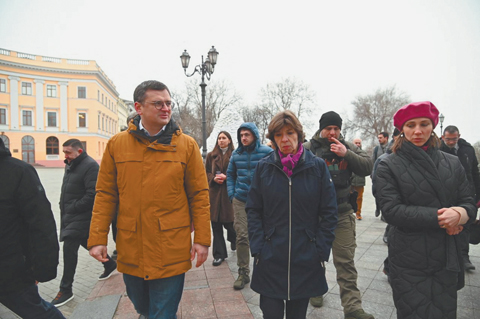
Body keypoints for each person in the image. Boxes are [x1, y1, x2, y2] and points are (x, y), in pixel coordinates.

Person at [88, 80, 211, 319]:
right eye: (158, 103)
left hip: (171, 245)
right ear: (138, 107)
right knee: (142, 307)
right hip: (131, 245)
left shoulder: (186, 145)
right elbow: (105, 195)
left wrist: (203, 239)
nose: (166, 108)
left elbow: (199, 195)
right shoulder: (117, 144)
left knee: (162, 314)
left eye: (168, 103)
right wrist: (97, 238)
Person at [374, 101, 477, 318]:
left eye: (424, 124)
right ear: (402, 129)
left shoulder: (453, 163)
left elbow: (469, 201)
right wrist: (443, 218)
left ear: (432, 127)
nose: (418, 131)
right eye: (411, 125)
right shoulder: (388, 164)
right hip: (409, 258)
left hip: (445, 256)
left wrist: (461, 214)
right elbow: (392, 210)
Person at [246, 110, 337, 319]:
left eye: (289, 133)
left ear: (299, 134)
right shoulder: (264, 167)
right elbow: (253, 209)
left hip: (305, 258)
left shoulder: (317, 167)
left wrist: (320, 249)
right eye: (278, 135)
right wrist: (258, 247)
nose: (284, 139)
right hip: (270, 257)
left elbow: (330, 212)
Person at [304, 111, 374, 319]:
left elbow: (368, 166)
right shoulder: (309, 148)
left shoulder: (347, 146)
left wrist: (346, 153)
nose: (332, 132)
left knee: (345, 261)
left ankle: (352, 307)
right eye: (329, 128)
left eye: (336, 128)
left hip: (342, 213)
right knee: (315, 257)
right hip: (314, 216)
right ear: (321, 129)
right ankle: (315, 290)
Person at [0, 138, 65, 319]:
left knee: (40, 313)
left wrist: (41, 268)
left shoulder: (18, 171)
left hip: (10, 271)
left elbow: (41, 224)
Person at [52, 139, 117, 307]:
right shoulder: (70, 164)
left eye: (67, 152)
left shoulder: (90, 166)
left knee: (69, 249)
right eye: (64, 152)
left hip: (82, 216)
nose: (65, 155)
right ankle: (109, 264)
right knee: (87, 242)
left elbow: (92, 195)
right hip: (70, 215)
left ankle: (66, 290)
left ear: (79, 152)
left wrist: (72, 207)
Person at [227, 122, 273, 290]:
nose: (243, 138)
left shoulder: (267, 152)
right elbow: (230, 175)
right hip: (240, 200)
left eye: (247, 135)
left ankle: (266, 270)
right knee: (241, 236)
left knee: (266, 235)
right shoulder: (236, 154)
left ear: (254, 135)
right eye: (241, 135)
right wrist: (232, 194)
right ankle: (243, 272)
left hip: (262, 201)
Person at [441, 125, 480, 271]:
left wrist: (478, 194)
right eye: (448, 139)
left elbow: (475, 173)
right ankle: (446, 256)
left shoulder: (467, 150)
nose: (451, 142)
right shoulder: (438, 149)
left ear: (459, 136)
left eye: (454, 139)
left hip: (466, 193)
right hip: (446, 193)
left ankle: (464, 257)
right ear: (443, 137)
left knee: (466, 226)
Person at [206, 131, 237, 266]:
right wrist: (213, 178)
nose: (221, 140)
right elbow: (205, 172)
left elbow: (239, 173)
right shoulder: (211, 156)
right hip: (214, 194)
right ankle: (219, 255)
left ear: (229, 140)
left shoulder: (235, 155)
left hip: (228, 194)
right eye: (219, 138)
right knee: (216, 225)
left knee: (231, 225)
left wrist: (227, 178)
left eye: (224, 138)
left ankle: (234, 239)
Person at [351, 138, 365, 220]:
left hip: (360, 179)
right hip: (351, 179)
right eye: (356, 143)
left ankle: (358, 213)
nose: (358, 144)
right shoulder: (348, 153)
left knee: (359, 197)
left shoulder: (363, 154)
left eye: (359, 143)